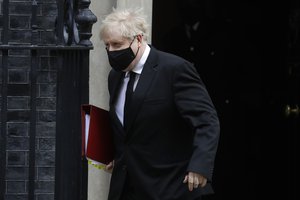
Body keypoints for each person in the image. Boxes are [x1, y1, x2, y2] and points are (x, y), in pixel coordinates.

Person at [99, 7, 220, 200]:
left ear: (138, 39)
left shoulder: (174, 69)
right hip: (126, 188)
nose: (111, 51)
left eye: (116, 44)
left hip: (169, 186)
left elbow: (206, 121)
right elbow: (127, 128)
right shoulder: (115, 76)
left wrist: (200, 167)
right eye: (107, 46)